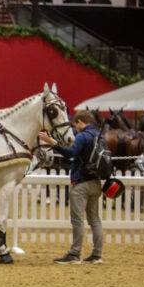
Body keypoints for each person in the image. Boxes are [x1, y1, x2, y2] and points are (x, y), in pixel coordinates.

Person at [38, 110, 104, 264]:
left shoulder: (83, 136)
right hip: (96, 182)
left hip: (81, 182)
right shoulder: (100, 136)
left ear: (80, 122)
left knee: (77, 220)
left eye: (76, 125)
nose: (75, 128)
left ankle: (74, 254)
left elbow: (71, 153)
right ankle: (97, 254)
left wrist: (52, 142)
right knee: (95, 219)